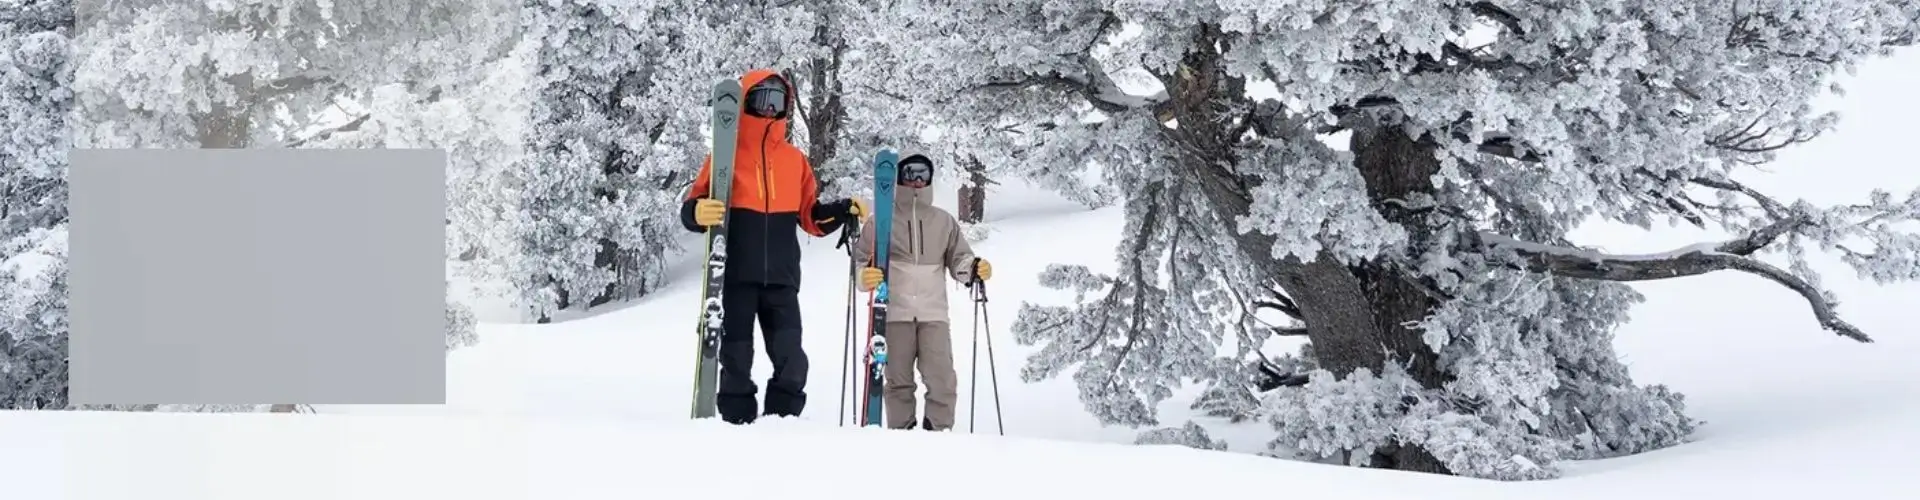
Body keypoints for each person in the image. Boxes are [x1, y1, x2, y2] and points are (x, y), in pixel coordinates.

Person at [680, 68, 867, 425]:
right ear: (747, 102)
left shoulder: (794, 161)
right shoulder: (724, 155)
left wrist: (842, 211)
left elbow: (810, 217)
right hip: (735, 275)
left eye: (777, 102)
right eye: (762, 100)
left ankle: (782, 424)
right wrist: (698, 211)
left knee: (792, 359)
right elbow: (692, 207)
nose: (769, 110)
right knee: (736, 357)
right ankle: (736, 422)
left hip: (781, 278)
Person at [852, 153, 994, 431]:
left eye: (922, 174)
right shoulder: (880, 220)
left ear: (930, 178)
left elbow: (959, 259)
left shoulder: (943, 221)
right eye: (910, 174)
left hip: (933, 315)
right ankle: (901, 435)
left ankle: (938, 435)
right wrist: (863, 276)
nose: (916, 181)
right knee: (898, 383)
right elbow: (859, 260)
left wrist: (973, 268)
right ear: (899, 178)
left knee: (942, 381)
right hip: (894, 313)